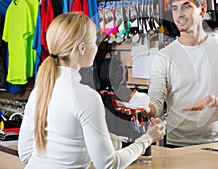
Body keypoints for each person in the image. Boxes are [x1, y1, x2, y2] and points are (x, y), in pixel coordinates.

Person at [18, 12, 165, 168]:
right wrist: (147, 139)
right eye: (94, 42)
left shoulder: (39, 91)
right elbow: (108, 164)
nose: (96, 47)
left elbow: (26, 154)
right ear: (82, 48)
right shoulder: (85, 96)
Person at [130, 0, 218, 147]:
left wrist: (216, 101)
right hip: (175, 144)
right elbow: (156, 103)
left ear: (202, 10)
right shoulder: (164, 56)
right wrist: (142, 108)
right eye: (175, 8)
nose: (180, 14)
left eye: (186, 7)